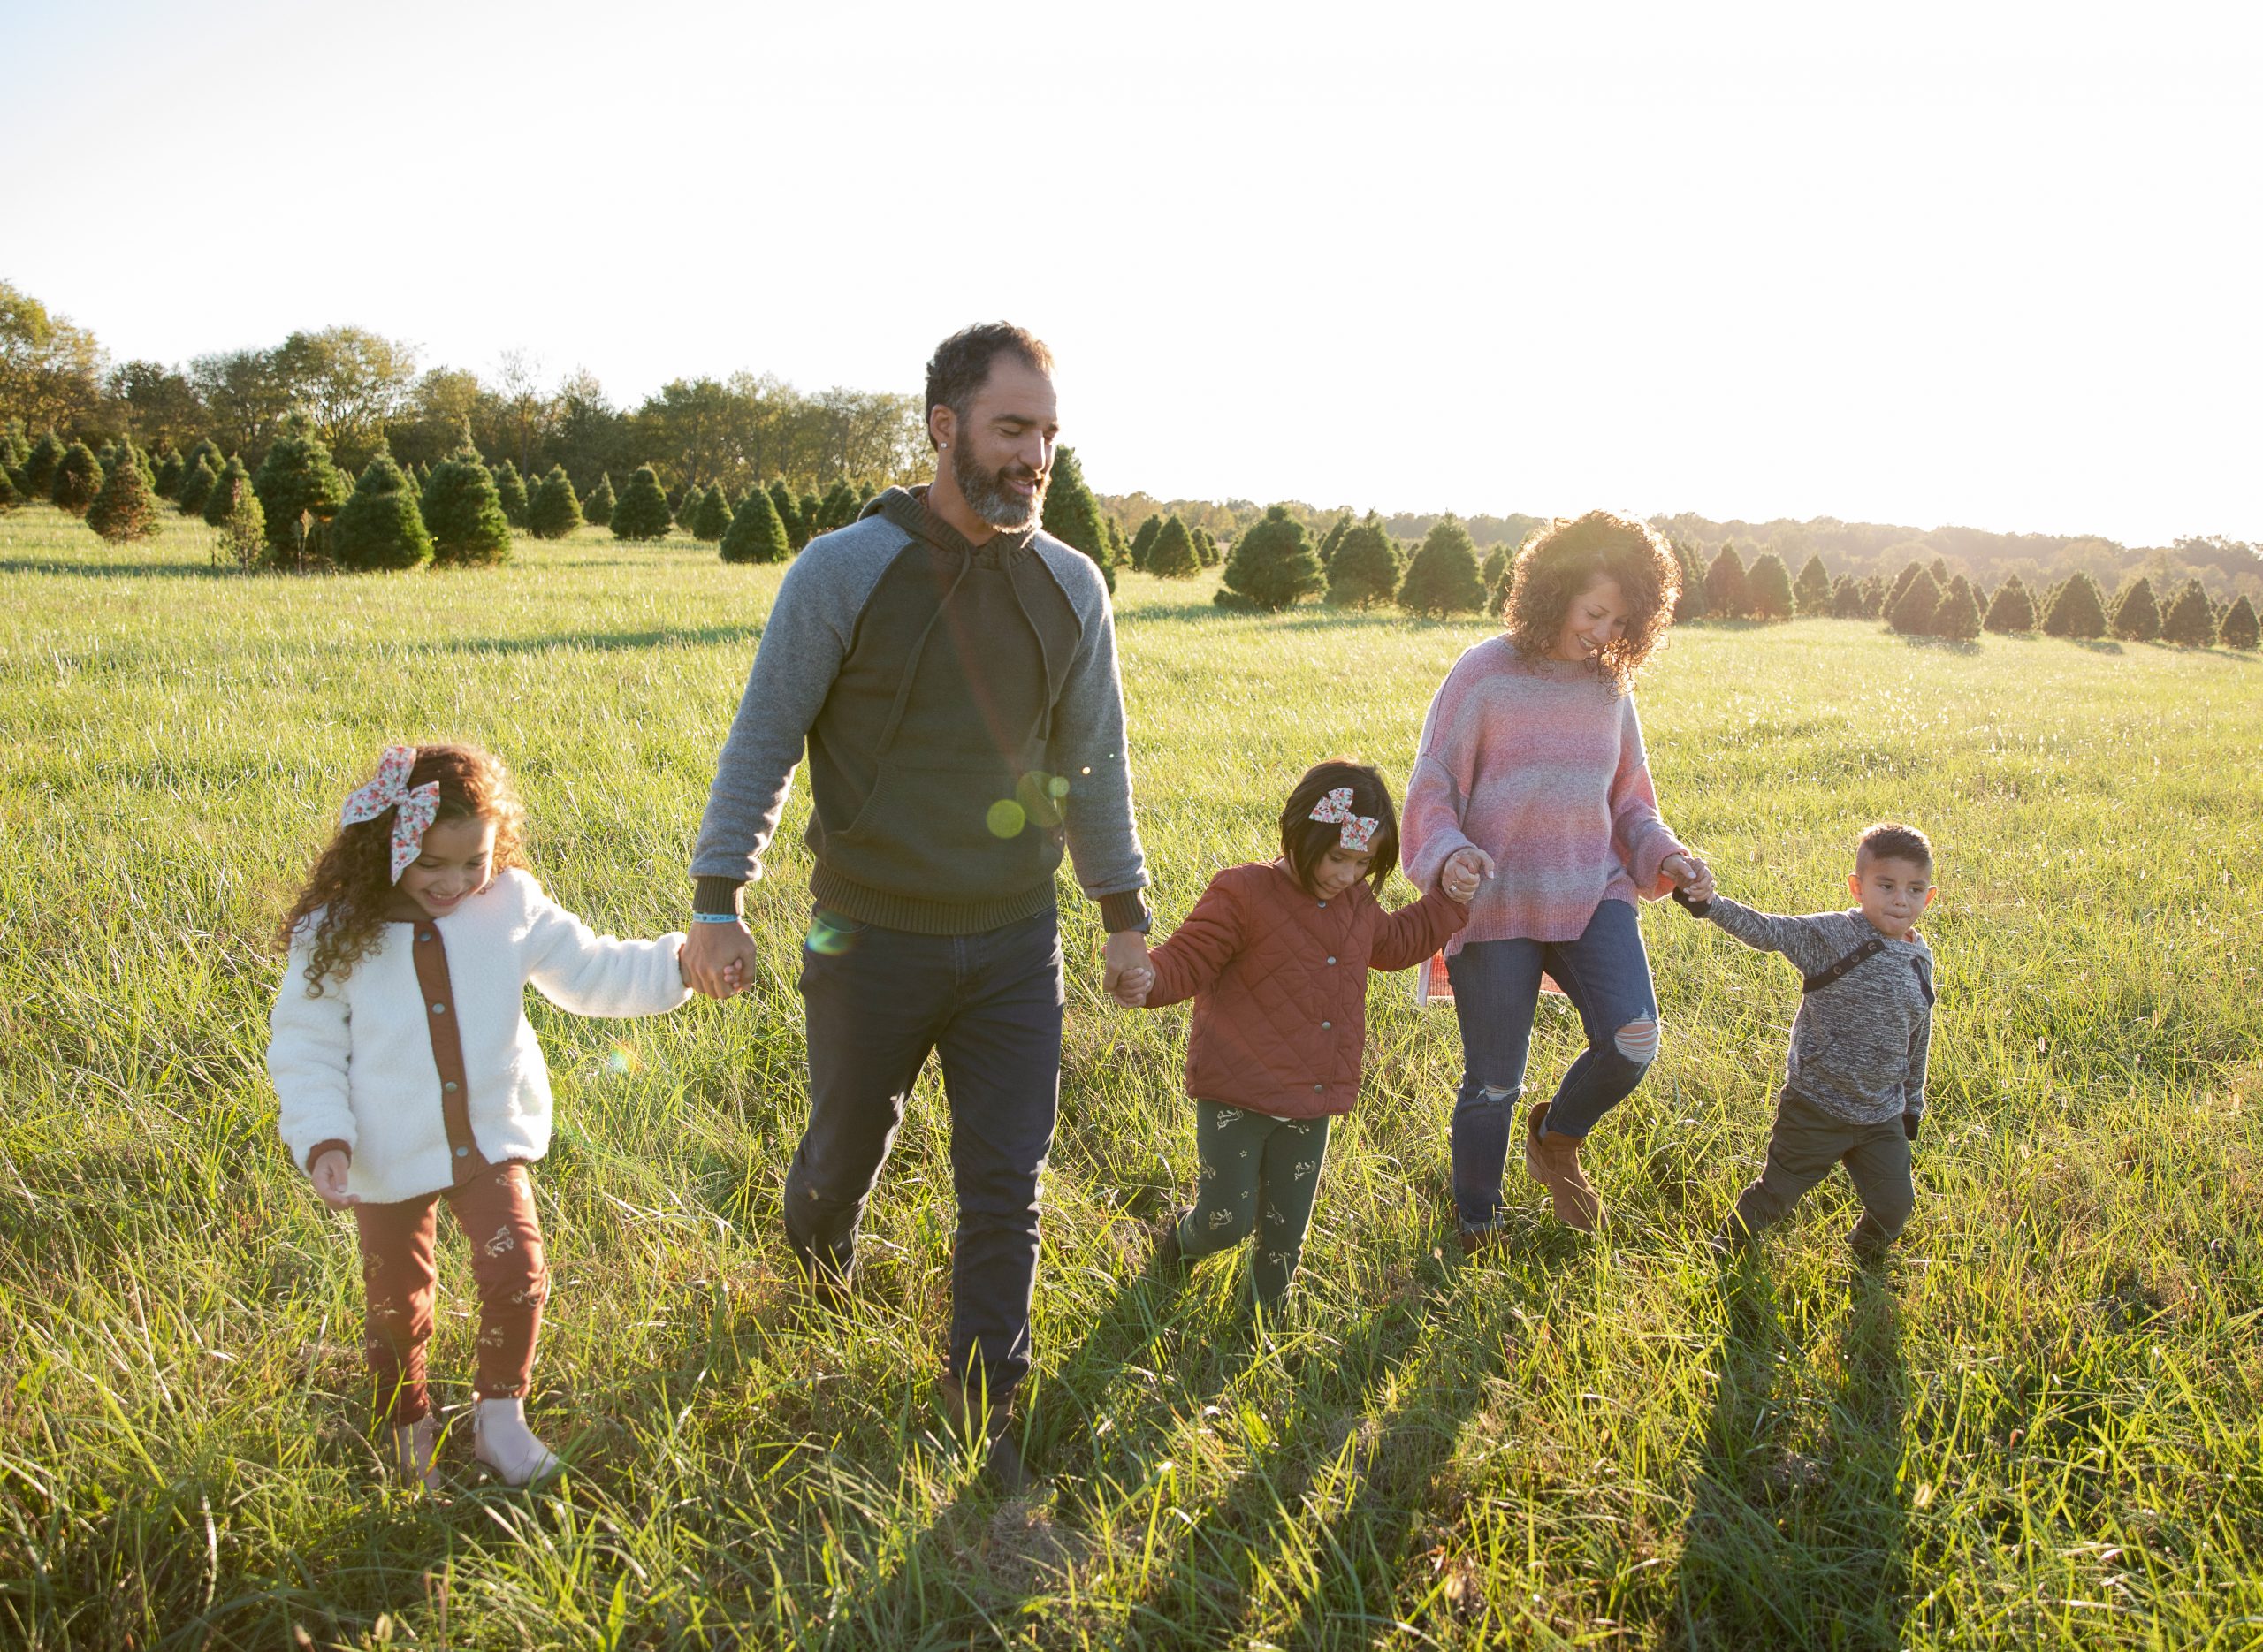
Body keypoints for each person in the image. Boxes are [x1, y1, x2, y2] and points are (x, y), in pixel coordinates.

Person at [681, 323, 1151, 1490]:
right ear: (944, 427)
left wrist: (1123, 912)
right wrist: (717, 897)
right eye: (1012, 428)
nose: (1036, 454)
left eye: (1048, 432)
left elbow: (1094, 762)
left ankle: (986, 1403)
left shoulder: (1071, 584)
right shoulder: (843, 570)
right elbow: (766, 739)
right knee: (842, 1157)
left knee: (1007, 1176)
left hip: (1011, 945)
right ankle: (820, 1252)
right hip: (869, 937)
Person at [269, 744, 703, 1488]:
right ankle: (407, 1424)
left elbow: (593, 968)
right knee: (397, 1304)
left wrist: (680, 966)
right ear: (389, 848)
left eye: (475, 860)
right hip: (385, 1150)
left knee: (518, 1272)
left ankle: (501, 1418)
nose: (456, 881)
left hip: (488, 1138)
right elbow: (304, 1045)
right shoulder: (339, 932)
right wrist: (324, 1139)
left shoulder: (508, 905)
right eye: (434, 863)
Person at [1401, 512, 1709, 1244]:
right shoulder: (1482, 673)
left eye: (1620, 619)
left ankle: (1557, 1140)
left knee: (1633, 1039)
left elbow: (1630, 801)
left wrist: (1666, 854)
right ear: (1553, 590)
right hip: (1497, 902)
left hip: (1592, 890)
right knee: (1494, 1082)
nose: (1604, 633)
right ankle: (1478, 1219)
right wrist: (1449, 855)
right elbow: (1432, 787)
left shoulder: (1611, 688)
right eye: (1593, 612)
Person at [1113, 760, 1480, 1311]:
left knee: (1285, 1236)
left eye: (1363, 863)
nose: (1347, 875)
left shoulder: (1357, 905)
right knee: (1225, 1219)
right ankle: (1181, 1245)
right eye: (1337, 857)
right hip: (1236, 1092)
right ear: (1302, 834)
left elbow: (1397, 942)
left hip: (1312, 1094)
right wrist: (1149, 978)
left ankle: (1259, 1326)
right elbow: (1190, 957)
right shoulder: (1243, 891)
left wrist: (1447, 905)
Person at [1676, 822, 1938, 1260]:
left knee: (1895, 1206)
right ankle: (1727, 1252)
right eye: (1887, 885)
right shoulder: (1832, 936)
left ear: (1929, 896)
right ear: (1857, 887)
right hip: (1816, 1104)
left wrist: (1912, 1103)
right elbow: (1770, 931)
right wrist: (1710, 906)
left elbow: (1919, 1033)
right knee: (1776, 1195)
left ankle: (1866, 1259)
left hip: (1881, 1115)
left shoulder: (1920, 956)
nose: (1900, 899)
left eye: (1914, 889)